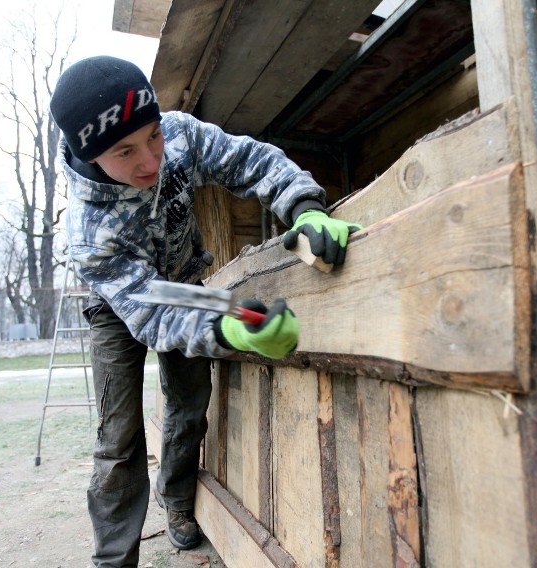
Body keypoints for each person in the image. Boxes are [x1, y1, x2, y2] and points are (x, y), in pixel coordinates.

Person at [49, 55, 360, 568]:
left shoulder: (179, 135)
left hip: (183, 285)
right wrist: (229, 329)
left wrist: (303, 207)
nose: (150, 160)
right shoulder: (89, 231)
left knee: (190, 401)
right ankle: (114, 557)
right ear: (92, 156)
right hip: (121, 303)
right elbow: (152, 314)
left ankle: (177, 503)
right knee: (118, 437)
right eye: (125, 152)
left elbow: (249, 161)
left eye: (152, 136)